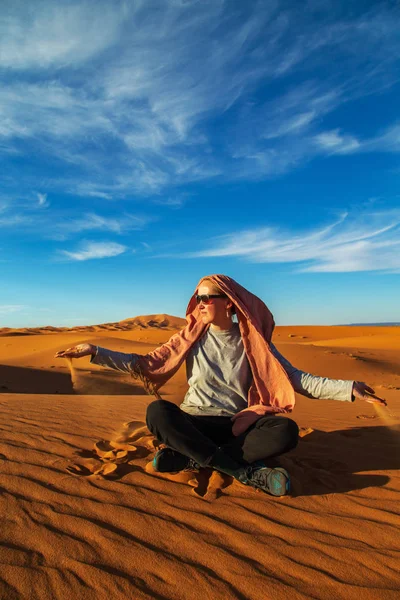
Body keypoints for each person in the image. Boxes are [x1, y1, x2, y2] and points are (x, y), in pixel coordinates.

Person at [55, 274, 386, 497]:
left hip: (235, 425)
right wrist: (95, 351)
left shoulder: (253, 343)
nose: (200, 304)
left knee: (284, 431)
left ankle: (191, 457)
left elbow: (295, 379)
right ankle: (244, 472)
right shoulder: (188, 339)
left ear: (229, 302)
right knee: (158, 412)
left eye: (207, 298)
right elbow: (146, 364)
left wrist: (349, 389)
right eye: (198, 299)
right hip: (194, 420)